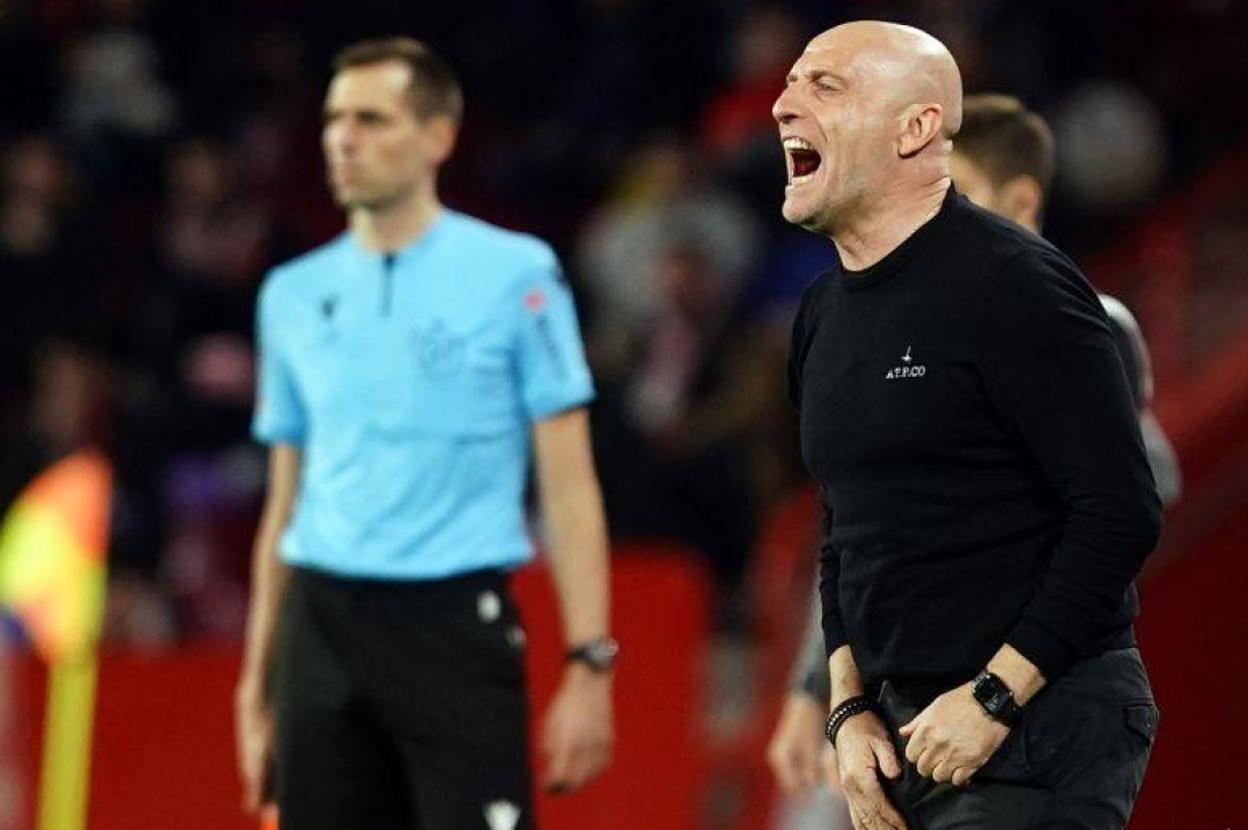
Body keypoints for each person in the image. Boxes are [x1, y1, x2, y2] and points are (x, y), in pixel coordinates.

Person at [776, 22, 1162, 830]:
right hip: (902, 738)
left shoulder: (1018, 287)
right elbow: (845, 526)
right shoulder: (819, 314)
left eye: (825, 87)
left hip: (1036, 734)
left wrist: (995, 696)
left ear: (916, 128)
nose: (783, 106)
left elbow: (1120, 509)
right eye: (790, 83)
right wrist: (847, 711)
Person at [233, 38, 616, 830]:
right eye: (335, 118)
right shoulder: (291, 294)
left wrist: (590, 663)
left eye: (372, 119)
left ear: (439, 136)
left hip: (452, 626)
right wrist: (255, 682)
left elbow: (569, 481)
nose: (343, 138)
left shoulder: (518, 274)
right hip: (320, 628)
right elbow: (285, 502)